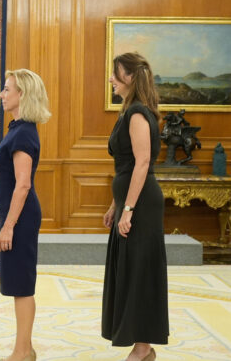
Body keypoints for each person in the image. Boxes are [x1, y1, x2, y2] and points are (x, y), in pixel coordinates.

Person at [103, 52, 169, 361]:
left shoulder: (138, 114)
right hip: (131, 201)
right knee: (132, 272)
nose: (112, 79)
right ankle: (142, 346)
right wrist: (115, 205)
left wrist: (128, 209)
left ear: (130, 77)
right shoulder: (129, 111)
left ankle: (143, 348)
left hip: (142, 206)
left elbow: (142, 162)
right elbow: (126, 166)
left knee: (140, 273)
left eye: (116, 74)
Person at [0, 69, 51, 361]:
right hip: (17, 216)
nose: (2, 94)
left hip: (21, 217)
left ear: (22, 95)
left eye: (7, 89)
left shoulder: (24, 132)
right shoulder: (17, 128)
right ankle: (25, 349)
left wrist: (8, 227)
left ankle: (22, 352)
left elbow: (24, 183)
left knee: (22, 285)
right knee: (18, 283)